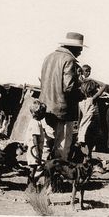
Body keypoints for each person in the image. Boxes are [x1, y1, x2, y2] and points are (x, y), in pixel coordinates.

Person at [39, 32, 86, 160]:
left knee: (46, 144)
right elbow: (68, 87)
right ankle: (58, 176)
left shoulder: (49, 57)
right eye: (80, 49)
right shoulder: (69, 60)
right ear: (73, 48)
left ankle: (41, 174)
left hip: (45, 107)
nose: (80, 52)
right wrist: (82, 94)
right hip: (63, 110)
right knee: (62, 145)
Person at [78, 79, 108, 158]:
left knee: (85, 148)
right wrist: (93, 79)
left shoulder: (80, 102)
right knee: (90, 147)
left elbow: (79, 117)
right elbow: (104, 85)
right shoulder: (92, 99)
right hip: (91, 125)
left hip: (83, 126)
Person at [25, 99, 46, 188]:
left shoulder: (34, 122)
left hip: (33, 149)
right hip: (34, 150)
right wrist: (37, 154)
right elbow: (35, 139)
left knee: (33, 168)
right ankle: (29, 186)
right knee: (33, 169)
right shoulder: (36, 124)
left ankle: (30, 185)